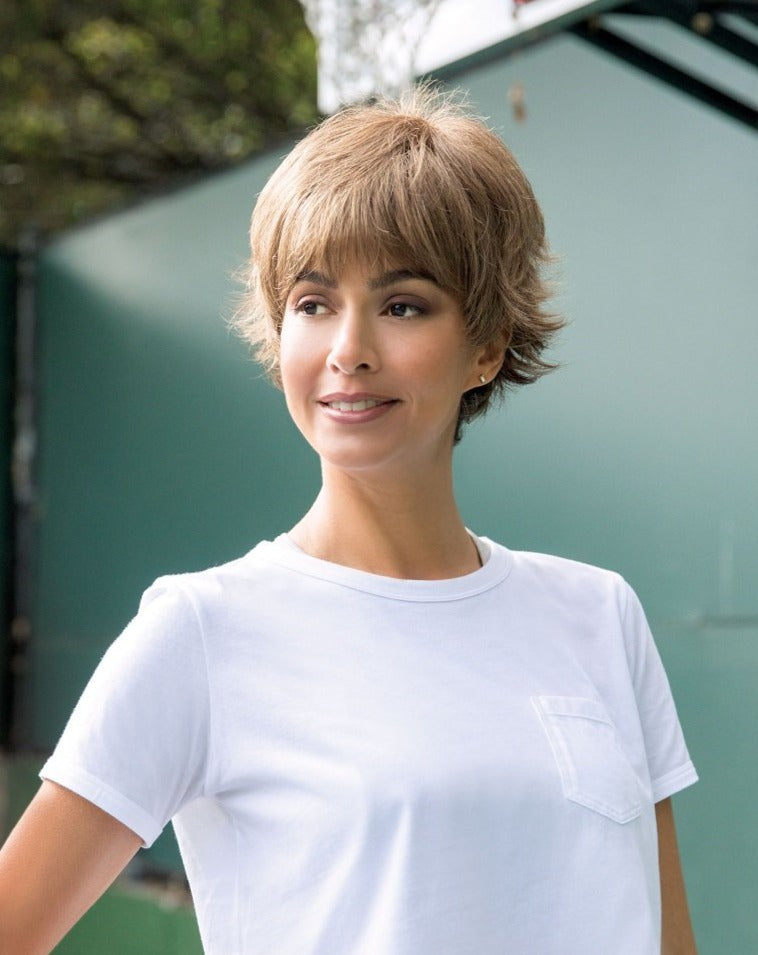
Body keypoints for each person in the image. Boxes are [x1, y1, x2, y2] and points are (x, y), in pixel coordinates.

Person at [0, 86, 698, 954]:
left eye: (402, 304)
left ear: (487, 346)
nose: (349, 350)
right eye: (313, 302)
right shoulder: (203, 631)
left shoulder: (600, 616)